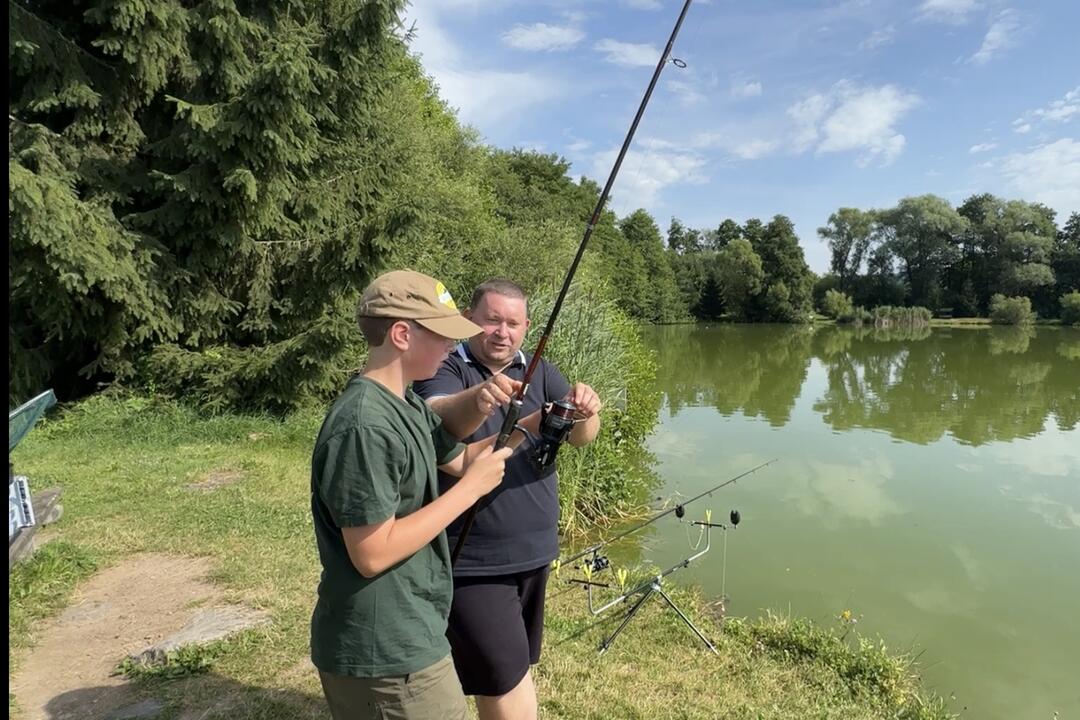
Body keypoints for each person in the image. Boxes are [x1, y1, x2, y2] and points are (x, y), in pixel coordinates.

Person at [310, 270, 521, 720]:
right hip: (382, 648)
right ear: (402, 334)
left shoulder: (405, 404)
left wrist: (534, 424)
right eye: (443, 335)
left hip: (412, 627)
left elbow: (461, 460)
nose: (450, 348)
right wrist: (467, 493)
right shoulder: (364, 424)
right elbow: (371, 551)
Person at [414, 278, 602, 720]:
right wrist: (481, 400)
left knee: (507, 669)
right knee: (506, 677)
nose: (502, 332)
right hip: (473, 557)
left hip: (534, 552)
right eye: (492, 319)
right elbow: (437, 419)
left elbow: (581, 439)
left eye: (513, 323)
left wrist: (587, 411)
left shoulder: (540, 370)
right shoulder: (448, 366)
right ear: (469, 319)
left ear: (527, 327)